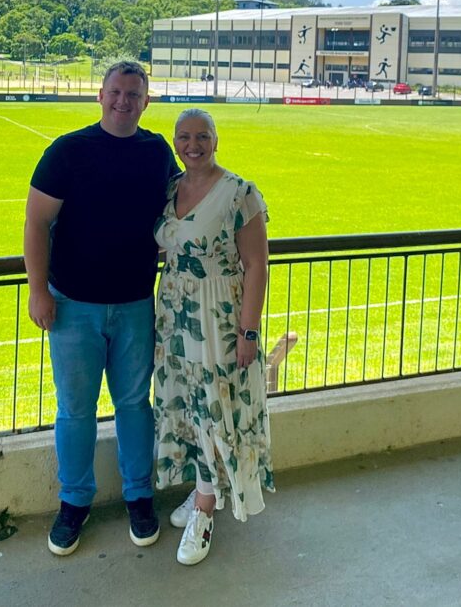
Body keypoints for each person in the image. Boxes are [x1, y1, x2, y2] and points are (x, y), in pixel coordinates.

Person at [24, 61, 178, 557]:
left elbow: (184, 206)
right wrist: (39, 291)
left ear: (146, 101)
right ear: (100, 95)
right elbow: (35, 223)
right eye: (116, 91)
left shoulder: (157, 152)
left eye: (133, 94)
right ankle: (73, 503)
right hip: (72, 306)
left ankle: (139, 496)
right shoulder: (67, 151)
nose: (123, 101)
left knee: (135, 405)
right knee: (75, 410)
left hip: (135, 303)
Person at [153, 108, 275, 566]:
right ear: (175, 143)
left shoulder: (240, 192)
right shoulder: (171, 189)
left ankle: (205, 509)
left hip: (218, 316)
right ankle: (206, 486)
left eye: (202, 136)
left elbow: (257, 266)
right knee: (187, 402)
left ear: (216, 140)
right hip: (174, 314)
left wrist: (248, 331)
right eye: (184, 137)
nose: (193, 145)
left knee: (213, 407)